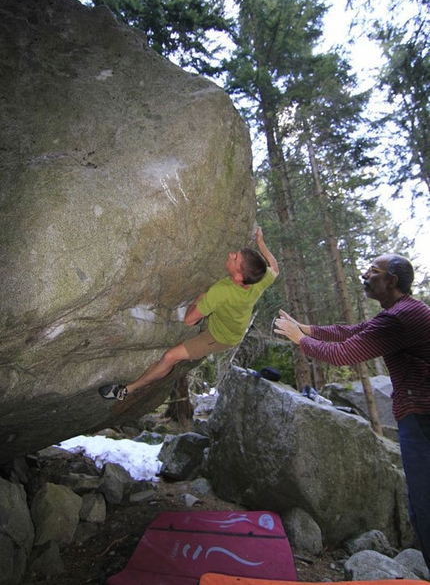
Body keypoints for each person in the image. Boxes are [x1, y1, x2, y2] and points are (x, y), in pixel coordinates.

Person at [274, 253, 430, 570]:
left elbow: (345, 352)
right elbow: (352, 331)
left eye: (373, 271)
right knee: (420, 506)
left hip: (422, 417)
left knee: (425, 508)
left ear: (391, 281)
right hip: (419, 415)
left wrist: (300, 339)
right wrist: (308, 328)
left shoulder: (398, 318)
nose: (364, 276)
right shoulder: (403, 311)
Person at [99, 226, 279, 401]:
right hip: (235, 325)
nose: (230, 255)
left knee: (170, 357)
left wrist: (200, 299)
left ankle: (127, 390)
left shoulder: (221, 292)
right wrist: (260, 243)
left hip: (220, 337)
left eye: (235, 258)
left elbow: (189, 320)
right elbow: (275, 269)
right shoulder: (259, 280)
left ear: (239, 277)